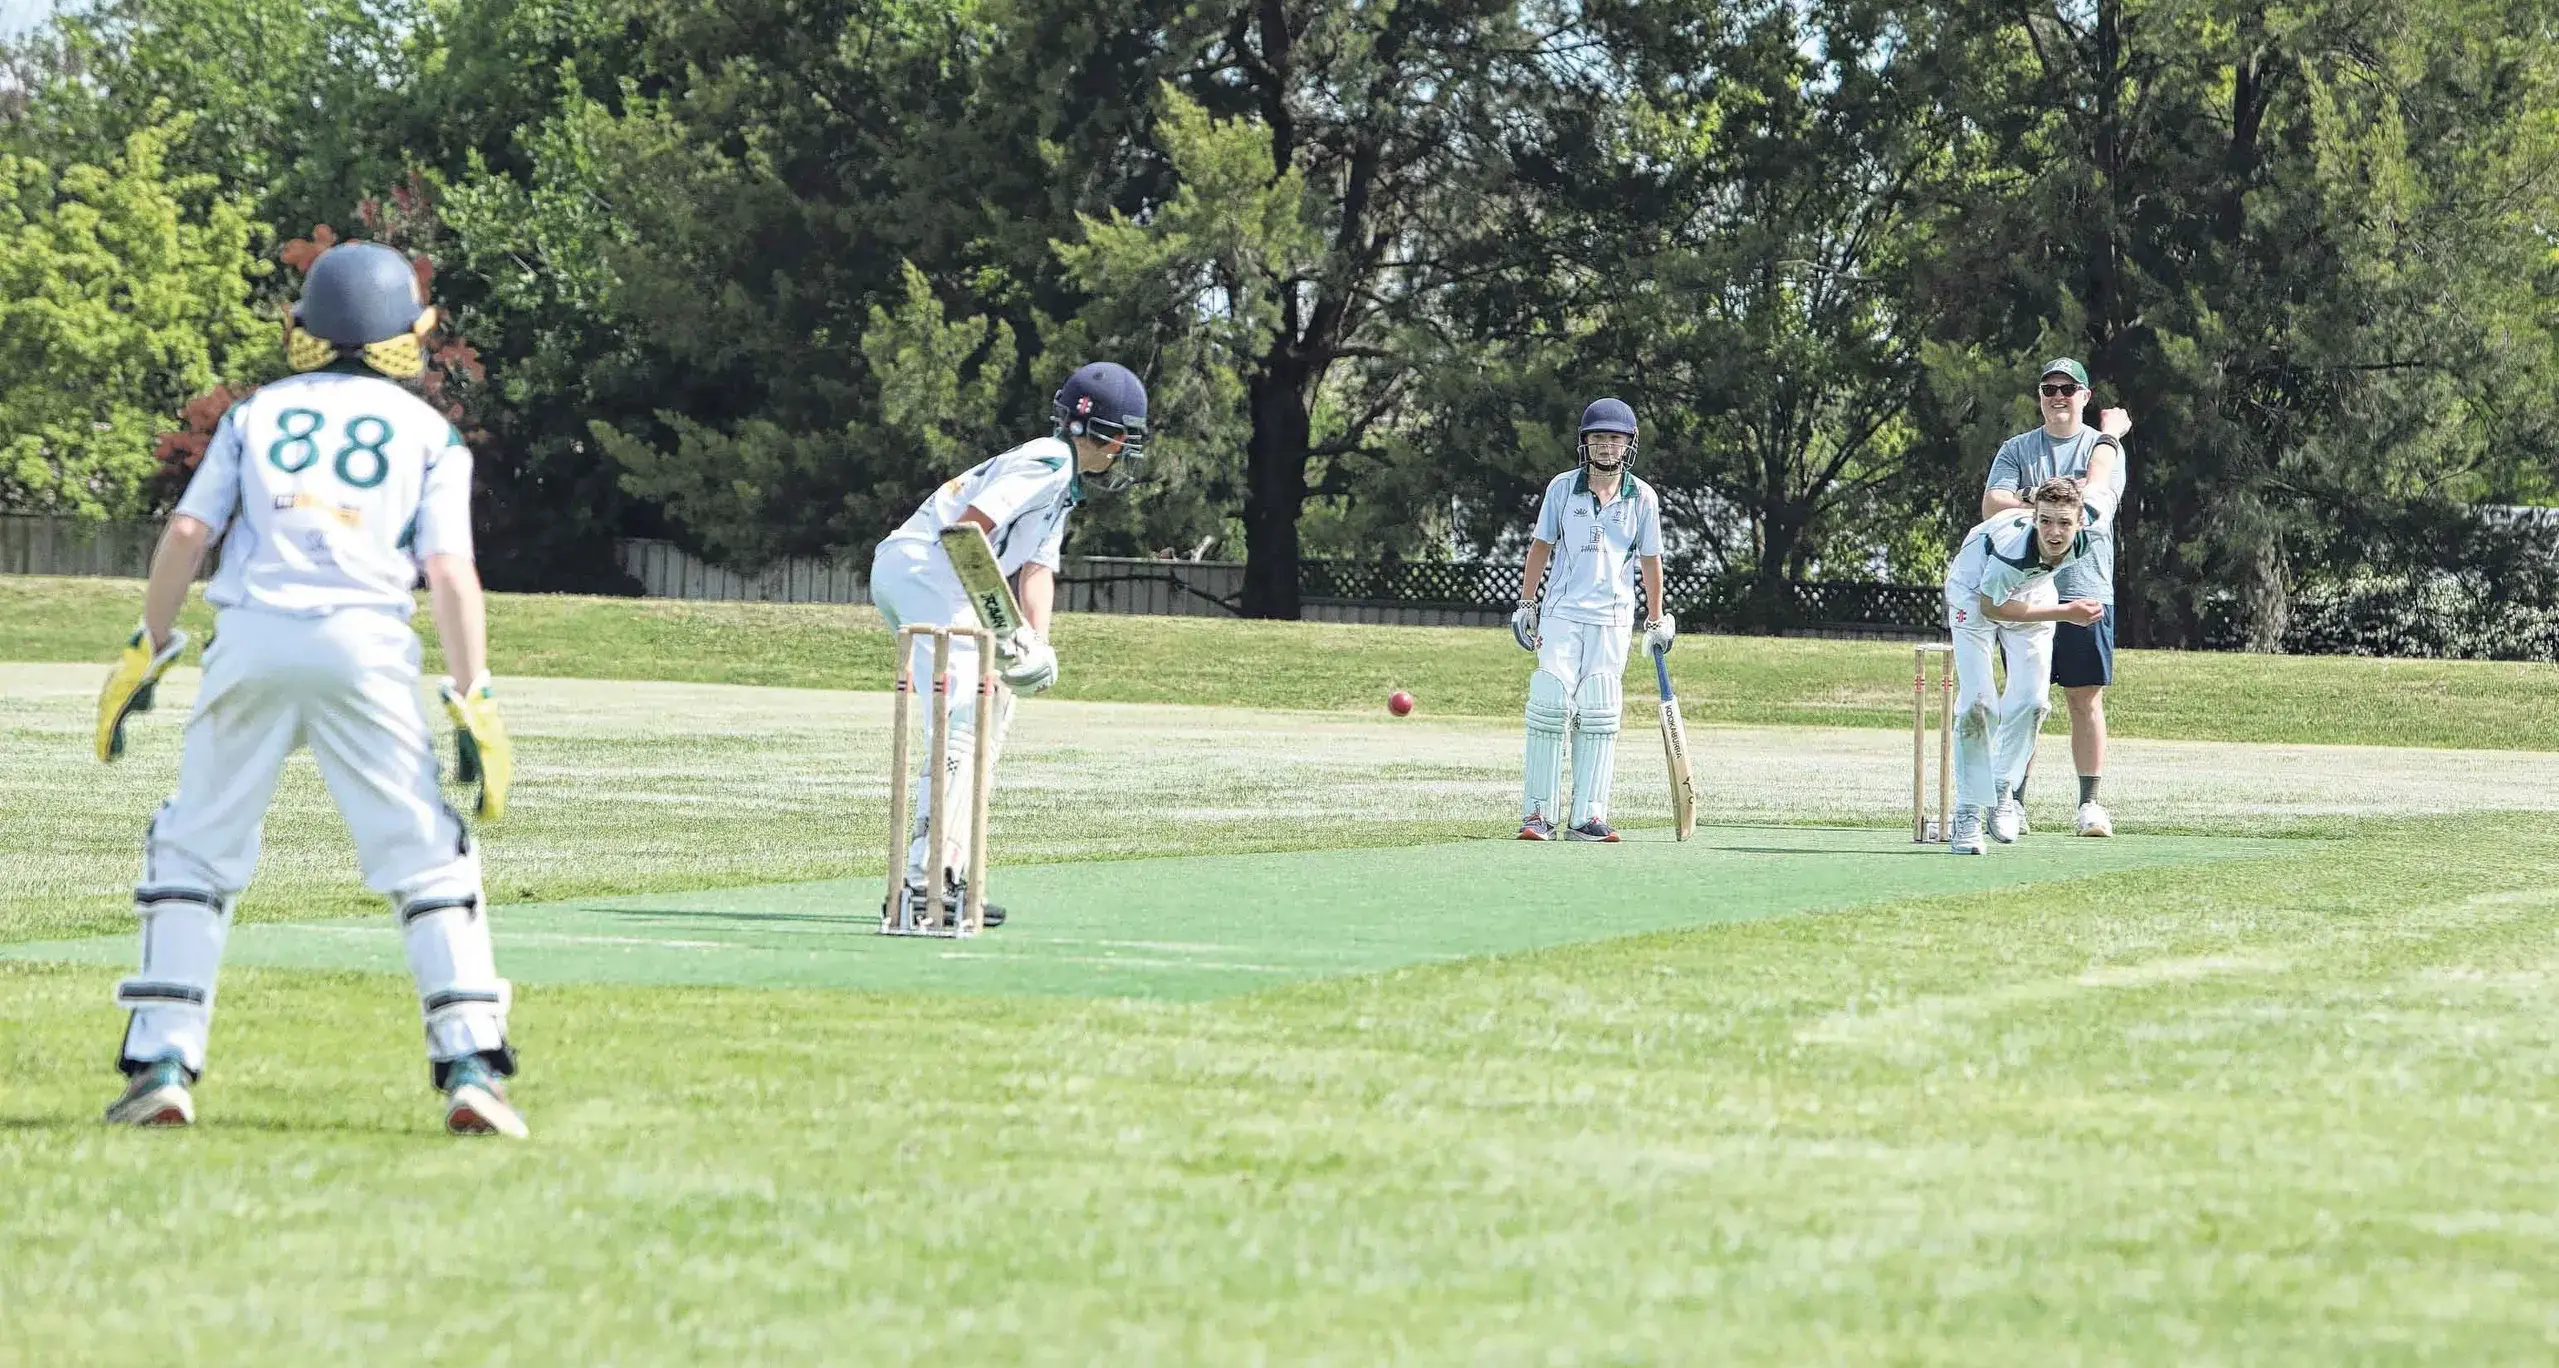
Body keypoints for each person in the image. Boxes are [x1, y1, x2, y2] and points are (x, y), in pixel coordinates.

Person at [94, 241, 524, 1135]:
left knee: (195, 848)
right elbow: (448, 570)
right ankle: (471, 1062)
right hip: (365, 647)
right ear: (411, 333)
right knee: (423, 854)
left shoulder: (256, 414)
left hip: (250, 638)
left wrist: (150, 642)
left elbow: (187, 530)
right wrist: (473, 690)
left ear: (306, 327)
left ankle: (164, 1062)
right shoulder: (428, 434)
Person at [869, 361, 1146, 920]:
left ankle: (946, 870)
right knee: (963, 722)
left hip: (935, 575)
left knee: (989, 713)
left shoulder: (1061, 487)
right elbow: (967, 534)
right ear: (1106, 434)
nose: (1124, 451)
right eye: (1125, 439)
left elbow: (1037, 571)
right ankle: (925, 884)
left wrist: (1035, 648)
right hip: (930, 569)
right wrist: (1008, 632)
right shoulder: (1047, 459)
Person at [1509, 398, 1675, 842]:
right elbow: (1541, 547)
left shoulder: (1642, 497)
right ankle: (1538, 814)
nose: (1606, 447)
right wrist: (1528, 604)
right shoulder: (1562, 488)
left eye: (1614, 439)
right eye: (1598, 438)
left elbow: (1651, 560)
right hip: (1562, 612)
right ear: (1585, 443)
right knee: (1550, 704)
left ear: (1628, 445)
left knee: (1600, 709)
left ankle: (1588, 816)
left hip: (1614, 618)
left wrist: (1657, 619)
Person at [1982, 358, 2129, 837]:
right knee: (2025, 699)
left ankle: (2089, 803)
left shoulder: (2102, 447)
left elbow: (2092, 495)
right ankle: (2012, 802)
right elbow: (1991, 504)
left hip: (2085, 587)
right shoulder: (2018, 448)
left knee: (2084, 699)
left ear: (2085, 396)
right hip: (2026, 589)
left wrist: (2039, 500)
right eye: (2049, 389)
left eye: (2068, 388)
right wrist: (2045, 498)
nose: (2058, 396)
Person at [1941, 478, 2105, 855]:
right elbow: (1992, 607)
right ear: (2034, 518)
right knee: (1979, 704)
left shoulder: (2093, 519)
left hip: (2032, 591)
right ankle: (1967, 814)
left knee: (2032, 703)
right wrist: (2066, 613)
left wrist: (2111, 437)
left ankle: (2001, 788)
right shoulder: (2012, 553)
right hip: (1975, 592)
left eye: (2063, 523)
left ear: (2081, 520)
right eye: (2045, 521)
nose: (2053, 532)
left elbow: (2102, 479)